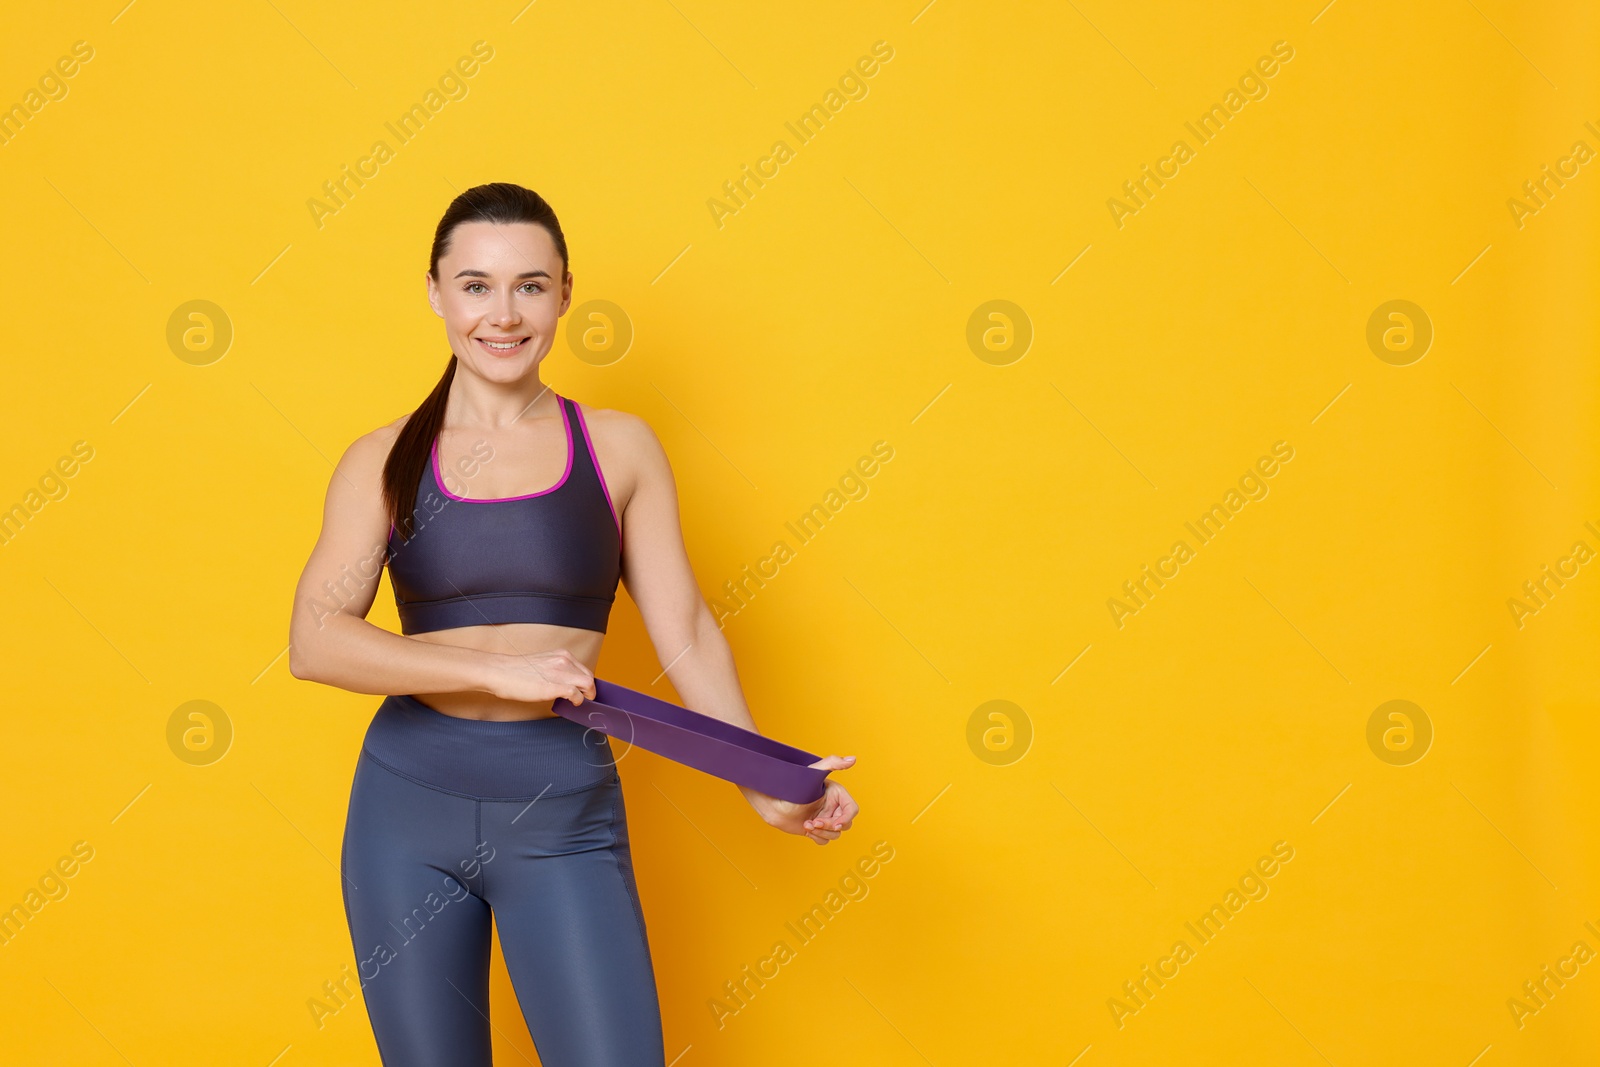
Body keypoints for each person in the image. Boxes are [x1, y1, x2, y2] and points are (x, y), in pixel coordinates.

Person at [287, 182, 861, 1066]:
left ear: (563, 293)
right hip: (404, 808)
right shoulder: (382, 459)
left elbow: (688, 633)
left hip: (560, 811)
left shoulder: (619, 448)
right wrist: (494, 671)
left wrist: (760, 773)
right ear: (435, 292)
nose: (503, 313)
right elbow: (315, 638)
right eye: (475, 285)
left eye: (530, 285)